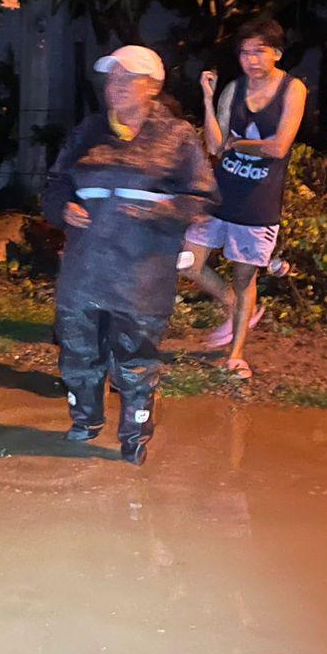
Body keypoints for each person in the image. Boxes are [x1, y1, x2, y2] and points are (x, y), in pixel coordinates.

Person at [43, 45, 217, 465]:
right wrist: (62, 206)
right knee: (78, 350)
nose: (115, 87)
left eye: (127, 79)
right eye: (111, 79)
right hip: (85, 266)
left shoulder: (177, 137)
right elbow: (55, 183)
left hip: (142, 269)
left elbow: (202, 194)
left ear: (153, 87)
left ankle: (134, 435)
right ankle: (85, 420)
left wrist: (165, 211)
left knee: (136, 358)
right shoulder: (88, 131)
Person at [182, 16, 306, 379]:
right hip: (221, 195)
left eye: (259, 52)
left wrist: (239, 143)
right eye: (244, 52)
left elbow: (279, 146)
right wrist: (208, 100)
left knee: (243, 276)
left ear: (277, 54)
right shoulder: (233, 89)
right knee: (188, 261)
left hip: (258, 202)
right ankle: (239, 309)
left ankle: (236, 355)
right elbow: (215, 145)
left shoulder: (292, 90)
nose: (250, 59)